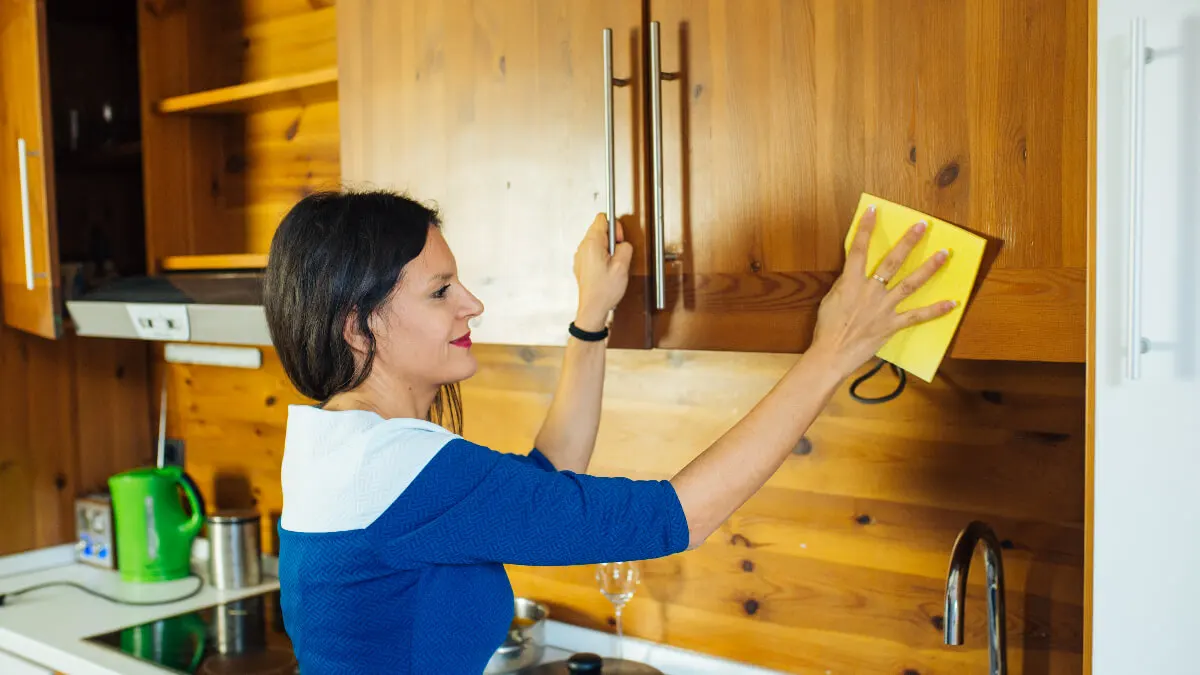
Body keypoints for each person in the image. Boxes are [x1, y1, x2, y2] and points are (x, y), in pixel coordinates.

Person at [262, 189, 953, 674]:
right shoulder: (395, 469)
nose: (472, 302)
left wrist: (591, 317)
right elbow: (672, 516)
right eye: (441, 290)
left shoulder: (346, 450)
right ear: (359, 325)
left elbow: (541, 478)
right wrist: (833, 351)